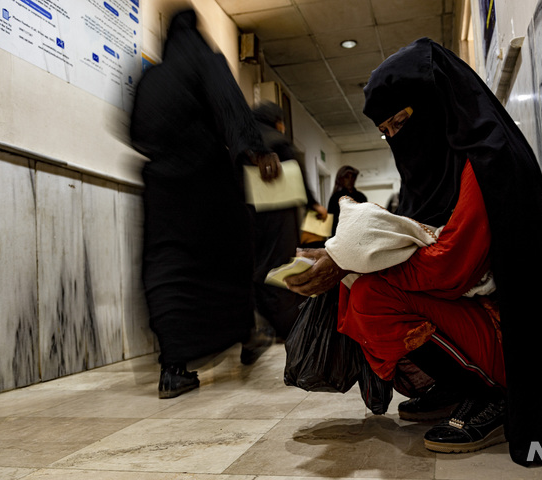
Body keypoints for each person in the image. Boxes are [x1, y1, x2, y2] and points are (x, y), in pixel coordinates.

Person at [285, 37, 542, 467]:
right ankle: (458, 386)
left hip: (515, 347)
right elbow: (412, 238)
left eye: (401, 123)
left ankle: (492, 395)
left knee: (371, 294)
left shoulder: (487, 162)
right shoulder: (442, 169)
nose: (396, 139)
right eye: (386, 132)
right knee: (354, 288)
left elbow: (451, 269)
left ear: (436, 102)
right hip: (478, 318)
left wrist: (351, 263)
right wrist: (340, 258)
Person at [129, 9, 280, 399]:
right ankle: (247, 336)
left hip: (162, 188)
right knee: (228, 259)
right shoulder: (205, 62)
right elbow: (229, 103)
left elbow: (134, 133)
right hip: (206, 182)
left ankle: (173, 369)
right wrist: (256, 149)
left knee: (169, 269)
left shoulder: (151, 78)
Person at [242, 101, 328, 363]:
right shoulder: (279, 141)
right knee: (282, 271)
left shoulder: (244, 141)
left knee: (256, 271)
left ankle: (254, 331)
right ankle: (294, 333)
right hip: (279, 215)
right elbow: (296, 174)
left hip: (251, 217)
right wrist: (313, 203)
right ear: (277, 121)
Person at [327, 166, 367, 237]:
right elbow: (331, 222)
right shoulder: (335, 198)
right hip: (341, 235)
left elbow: (365, 218)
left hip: (359, 234)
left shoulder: (361, 197)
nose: (350, 180)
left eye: (353, 177)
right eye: (347, 177)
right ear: (341, 179)